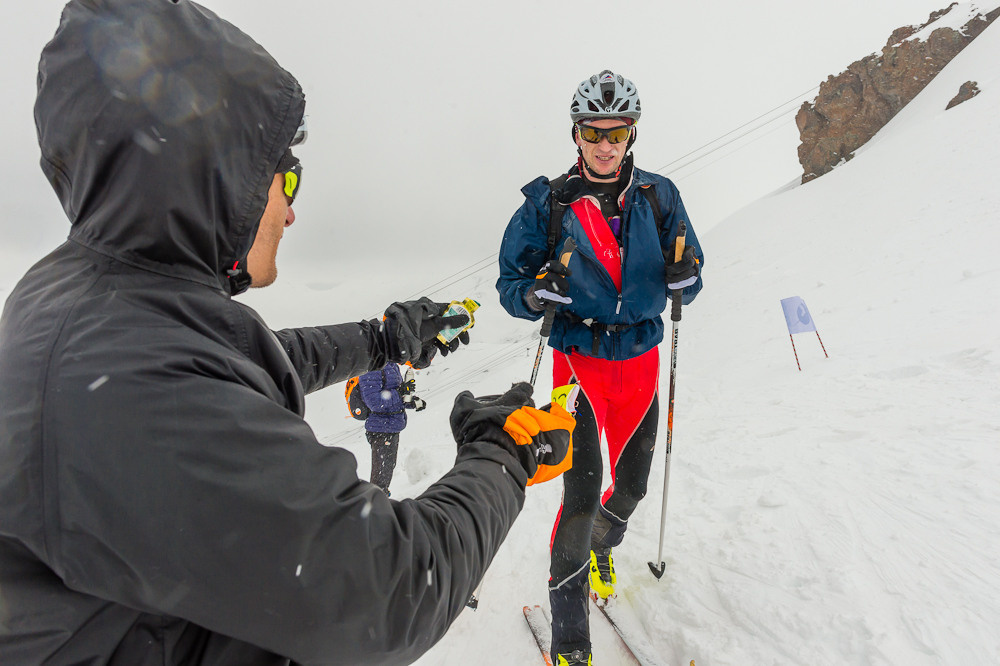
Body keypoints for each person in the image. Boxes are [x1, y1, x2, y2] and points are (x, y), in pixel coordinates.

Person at [0, 1, 575, 664]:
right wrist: (501, 454)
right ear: (217, 177)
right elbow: (386, 592)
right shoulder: (126, 375)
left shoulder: (97, 295)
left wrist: (384, 337)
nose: (294, 212)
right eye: (286, 179)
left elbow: (234, 361)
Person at [497, 69, 705, 665]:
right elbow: (511, 286)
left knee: (633, 485)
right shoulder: (550, 202)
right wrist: (538, 294)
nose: (606, 144)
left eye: (618, 132)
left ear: (631, 134)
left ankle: (602, 545)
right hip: (578, 364)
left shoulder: (660, 196)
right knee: (581, 493)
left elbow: (692, 271)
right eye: (595, 131)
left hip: (640, 359)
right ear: (577, 133)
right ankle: (571, 637)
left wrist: (686, 282)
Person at [359, 364, 426, 494]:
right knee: (380, 477)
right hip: (381, 429)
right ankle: (375, 506)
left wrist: (411, 402)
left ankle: (379, 502)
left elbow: (395, 397)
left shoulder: (391, 365)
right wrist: (400, 391)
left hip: (391, 427)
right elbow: (374, 402)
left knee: (386, 472)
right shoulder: (372, 367)